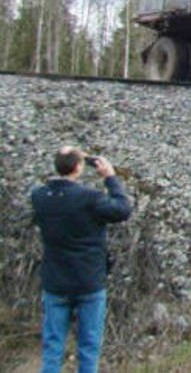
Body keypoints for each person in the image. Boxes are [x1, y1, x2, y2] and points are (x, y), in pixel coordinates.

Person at [31, 146, 132, 373]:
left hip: (55, 281)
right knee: (88, 347)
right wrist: (110, 178)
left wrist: (70, 154)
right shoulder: (90, 198)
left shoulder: (39, 197)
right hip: (88, 280)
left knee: (53, 346)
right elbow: (123, 209)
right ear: (79, 167)